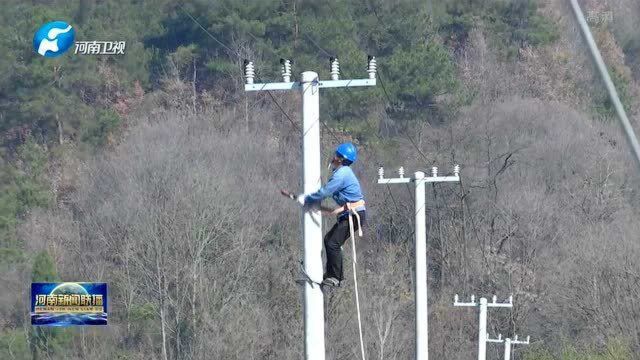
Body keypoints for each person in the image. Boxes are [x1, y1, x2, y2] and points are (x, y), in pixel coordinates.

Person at [301, 142, 366, 287]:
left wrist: (309, 199)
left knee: (332, 243)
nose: (334, 156)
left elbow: (326, 192)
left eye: (336, 155)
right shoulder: (342, 173)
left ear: (341, 159)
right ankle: (334, 275)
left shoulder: (342, 174)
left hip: (354, 215)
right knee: (329, 239)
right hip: (349, 214)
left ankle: (335, 277)